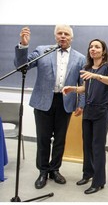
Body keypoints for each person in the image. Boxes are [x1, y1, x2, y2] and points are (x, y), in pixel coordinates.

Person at [14, 25, 86, 189]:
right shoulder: (42, 51)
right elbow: (21, 66)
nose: (63, 36)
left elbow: (82, 84)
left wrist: (81, 104)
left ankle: (55, 169)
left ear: (71, 38)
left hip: (65, 102)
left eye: (66, 34)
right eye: (59, 33)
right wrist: (23, 45)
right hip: (43, 101)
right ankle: (43, 171)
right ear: (55, 36)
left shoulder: (80, 58)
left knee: (60, 140)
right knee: (43, 139)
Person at [62, 39, 108, 194]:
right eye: (91, 47)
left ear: (103, 51)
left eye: (97, 47)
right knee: (87, 145)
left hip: (101, 112)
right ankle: (88, 174)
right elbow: (86, 89)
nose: (93, 49)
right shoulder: (87, 68)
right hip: (88, 111)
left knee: (98, 147)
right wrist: (73, 89)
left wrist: (95, 75)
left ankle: (99, 182)